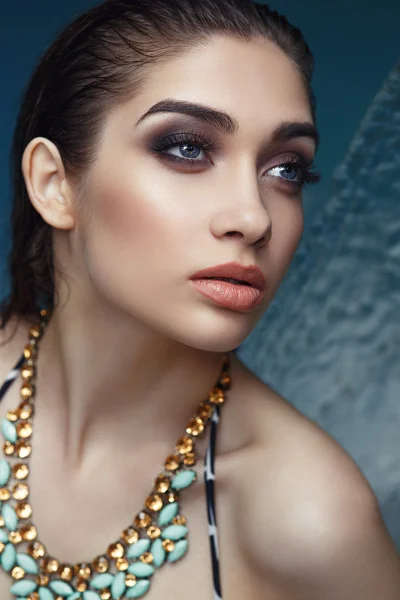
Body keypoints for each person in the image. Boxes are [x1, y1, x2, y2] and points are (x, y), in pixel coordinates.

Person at [0, 0, 399, 598]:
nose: (252, 216)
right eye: (187, 148)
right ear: (56, 185)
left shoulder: (310, 520)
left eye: (286, 169)